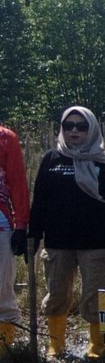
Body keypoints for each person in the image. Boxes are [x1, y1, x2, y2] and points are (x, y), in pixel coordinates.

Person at [28, 106, 105, 359]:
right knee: (56, 294)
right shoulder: (52, 159)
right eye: (69, 126)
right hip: (58, 241)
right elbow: (40, 199)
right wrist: (33, 234)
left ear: (92, 128)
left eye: (81, 126)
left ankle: (97, 349)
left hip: (97, 241)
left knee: (96, 296)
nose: (74, 130)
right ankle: (56, 346)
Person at [0, 112, 29, 347]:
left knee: (2, 286)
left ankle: (4, 347)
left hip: (1, 224)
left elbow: (17, 182)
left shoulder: (6, 138)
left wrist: (21, 224)